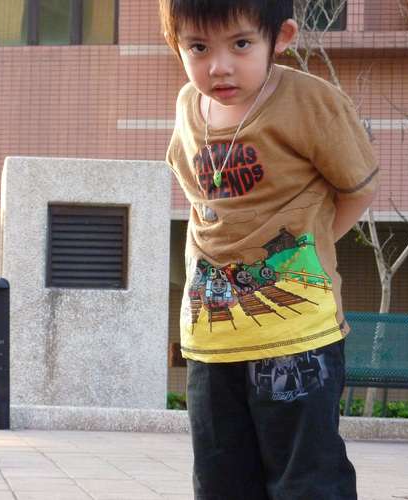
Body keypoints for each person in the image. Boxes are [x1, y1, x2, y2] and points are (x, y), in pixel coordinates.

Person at [159, 0, 379, 498]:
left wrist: (305, 250)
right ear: (177, 45)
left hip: (297, 338)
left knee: (308, 482)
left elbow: (358, 188)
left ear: (280, 37)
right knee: (220, 483)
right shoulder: (188, 106)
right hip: (211, 337)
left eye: (241, 44)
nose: (219, 66)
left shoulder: (309, 101)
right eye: (198, 47)